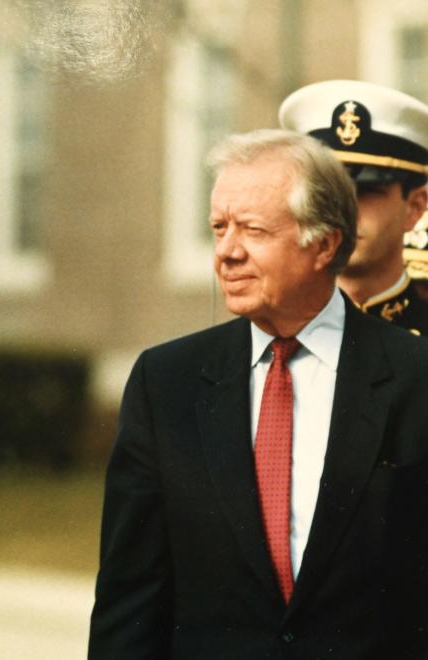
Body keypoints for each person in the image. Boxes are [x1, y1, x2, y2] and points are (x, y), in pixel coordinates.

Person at [88, 129, 428, 659]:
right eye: (219, 228)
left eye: (251, 230)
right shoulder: (166, 381)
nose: (226, 252)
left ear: (325, 243)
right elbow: (129, 600)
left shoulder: (415, 377)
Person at [279, 79, 428, 334]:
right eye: (327, 192)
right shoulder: (274, 334)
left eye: (366, 192)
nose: (343, 211)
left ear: (414, 208)